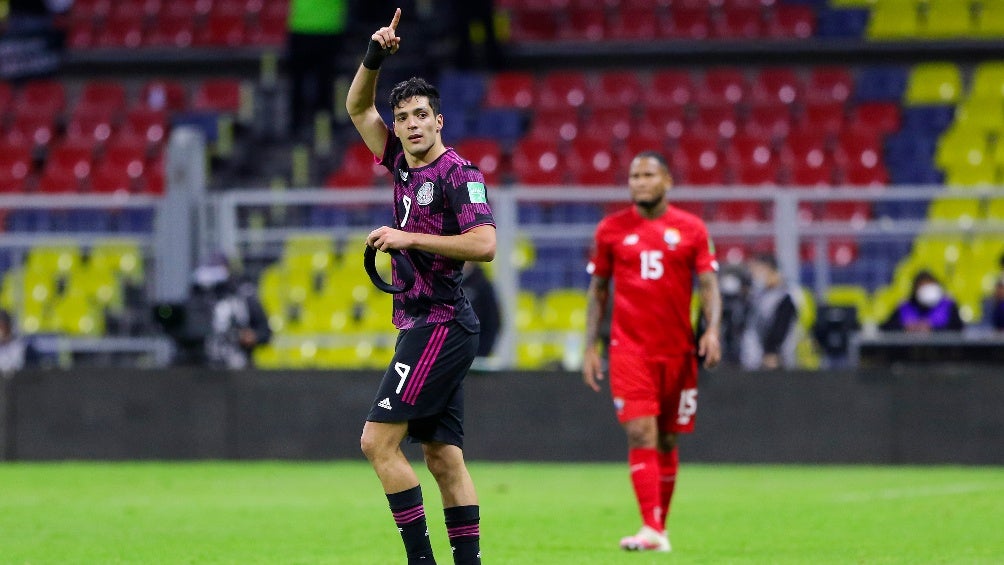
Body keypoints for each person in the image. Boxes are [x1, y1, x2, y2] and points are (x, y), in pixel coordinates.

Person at [346, 9, 496, 564]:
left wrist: (409, 238)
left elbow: (484, 244)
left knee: (376, 442)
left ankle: (421, 561)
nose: (410, 125)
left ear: (440, 122)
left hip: (440, 321)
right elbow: (358, 107)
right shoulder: (401, 166)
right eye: (403, 116)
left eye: (420, 116)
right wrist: (373, 57)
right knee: (442, 457)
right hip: (424, 322)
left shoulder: (460, 175)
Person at [582, 151, 722, 553]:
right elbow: (598, 292)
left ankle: (658, 527)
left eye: (648, 175)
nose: (639, 182)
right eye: (634, 176)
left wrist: (712, 330)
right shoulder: (611, 230)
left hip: (678, 352)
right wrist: (590, 344)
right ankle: (650, 527)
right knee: (641, 430)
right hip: (629, 350)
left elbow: (709, 285)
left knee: (667, 440)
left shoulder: (692, 229)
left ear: (667, 181)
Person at [186, 256, 272, 369]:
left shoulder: (245, 297)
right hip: (204, 367)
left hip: (239, 365)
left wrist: (251, 336)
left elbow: (265, 332)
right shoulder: (199, 298)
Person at [286, 0, 349, 137]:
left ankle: (297, 124)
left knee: (300, 81)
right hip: (327, 26)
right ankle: (322, 125)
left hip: (304, 26)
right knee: (324, 81)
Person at [739, 253, 800, 370]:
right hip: (752, 362)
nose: (755, 276)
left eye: (758, 271)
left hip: (776, 363)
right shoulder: (759, 296)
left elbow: (781, 328)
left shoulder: (786, 296)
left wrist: (772, 352)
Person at [880, 270, 963, 332]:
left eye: (930, 285)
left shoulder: (948, 305)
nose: (928, 291)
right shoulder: (905, 307)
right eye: (923, 286)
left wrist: (932, 328)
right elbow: (886, 328)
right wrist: (906, 328)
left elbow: (958, 329)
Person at [461, 262, 500, 358]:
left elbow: (493, 320)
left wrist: (482, 352)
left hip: (476, 354)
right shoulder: (445, 284)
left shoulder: (482, 284)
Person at [0, 309, 30, 375]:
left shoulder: (18, 345)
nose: (1, 330)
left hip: (17, 381)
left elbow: (17, 365)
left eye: (2, 326)